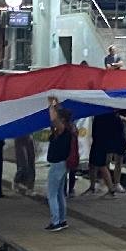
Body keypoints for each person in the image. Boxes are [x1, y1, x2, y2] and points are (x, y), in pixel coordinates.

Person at [45, 98, 72, 231]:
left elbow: (54, 119)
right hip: (63, 164)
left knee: (52, 194)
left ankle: (55, 222)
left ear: (62, 120)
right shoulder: (69, 129)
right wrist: (57, 104)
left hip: (57, 164)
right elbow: (56, 119)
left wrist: (51, 105)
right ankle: (62, 219)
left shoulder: (63, 130)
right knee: (60, 193)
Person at [87, 109, 126, 196]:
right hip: (99, 139)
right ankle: (98, 187)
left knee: (101, 164)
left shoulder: (110, 114)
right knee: (95, 163)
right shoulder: (110, 113)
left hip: (102, 140)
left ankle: (111, 188)